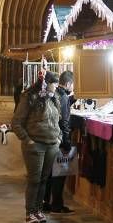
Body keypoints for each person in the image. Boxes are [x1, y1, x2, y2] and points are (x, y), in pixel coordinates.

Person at [12, 71, 61, 223]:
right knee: (34, 179)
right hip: (36, 144)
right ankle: (30, 212)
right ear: (46, 83)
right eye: (54, 82)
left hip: (52, 144)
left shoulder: (54, 98)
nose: (57, 86)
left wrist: (58, 138)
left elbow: (57, 120)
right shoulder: (30, 97)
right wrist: (28, 140)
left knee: (44, 180)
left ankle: (38, 210)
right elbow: (16, 122)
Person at [44, 70, 76, 214]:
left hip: (50, 138)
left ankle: (46, 203)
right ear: (68, 83)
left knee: (50, 173)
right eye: (73, 84)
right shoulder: (62, 97)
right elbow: (64, 121)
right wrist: (67, 142)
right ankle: (57, 204)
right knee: (59, 174)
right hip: (59, 140)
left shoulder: (57, 94)